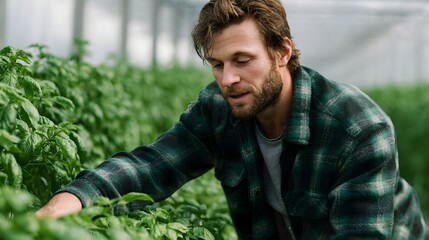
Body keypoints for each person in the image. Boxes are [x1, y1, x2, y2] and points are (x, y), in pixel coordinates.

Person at [36, 0, 428, 239]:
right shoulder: (219, 108)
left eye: (242, 61)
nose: (228, 80)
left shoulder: (358, 129)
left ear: (282, 52)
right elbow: (153, 165)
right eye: (218, 65)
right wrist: (74, 199)